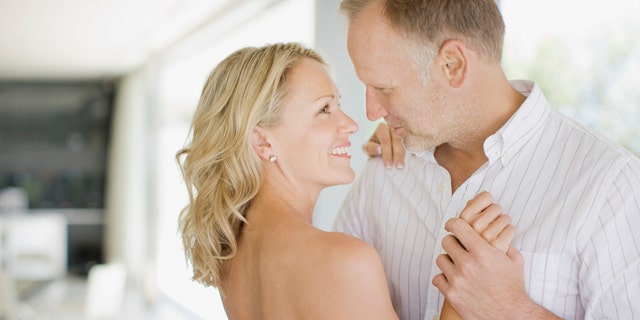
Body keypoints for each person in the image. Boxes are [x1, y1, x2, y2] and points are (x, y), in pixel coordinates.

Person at [333, 0, 640, 320]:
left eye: (383, 87)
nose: (371, 112)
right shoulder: (387, 168)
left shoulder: (612, 186)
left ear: (453, 64)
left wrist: (512, 309)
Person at [175, 42, 514, 319]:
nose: (351, 123)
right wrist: (463, 290)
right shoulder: (342, 261)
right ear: (263, 142)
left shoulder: (231, 256)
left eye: (338, 104)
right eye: (325, 109)